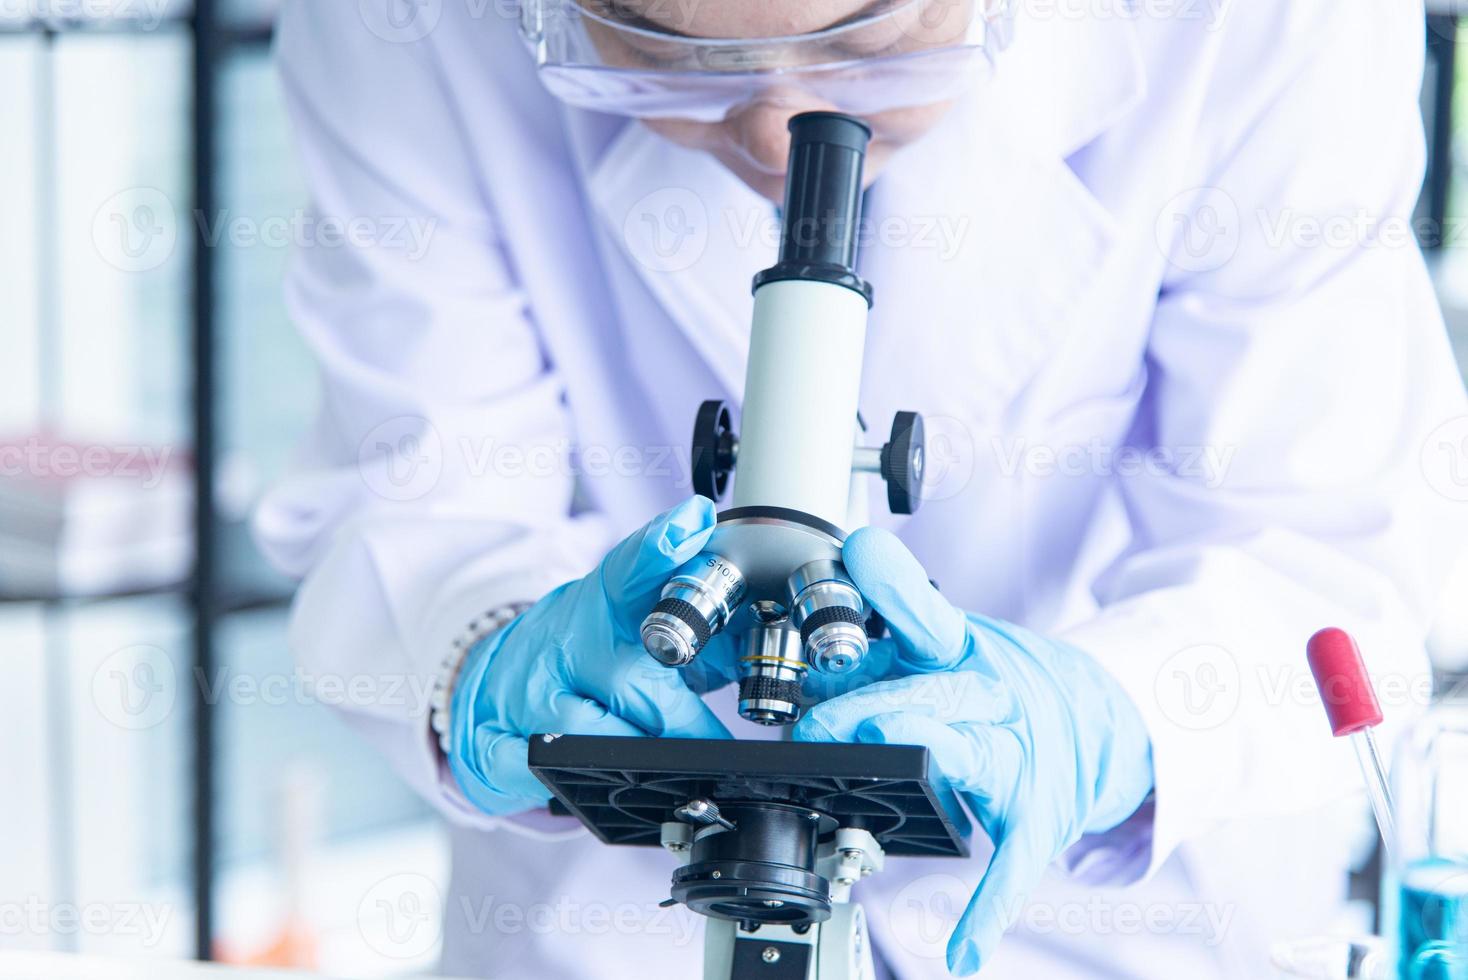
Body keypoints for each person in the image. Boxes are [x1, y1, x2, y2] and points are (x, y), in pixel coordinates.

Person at [254, 0, 1468, 976]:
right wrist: (485, 660)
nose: (777, 131)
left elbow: (1325, 546)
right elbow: (419, 499)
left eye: (871, 41)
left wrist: (1106, 719)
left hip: (1117, 935)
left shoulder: (1256, 26)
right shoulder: (405, 29)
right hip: (604, 932)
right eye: (657, 53)